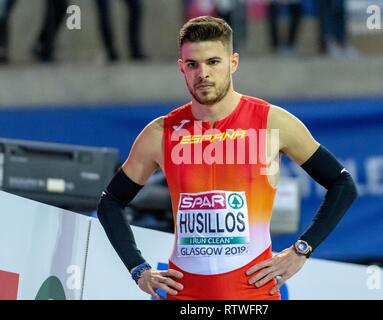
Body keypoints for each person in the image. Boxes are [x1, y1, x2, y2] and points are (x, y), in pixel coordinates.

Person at [97, 16, 358, 300]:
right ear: (181, 68)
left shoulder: (272, 122)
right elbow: (110, 202)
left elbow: (342, 184)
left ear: (233, 63)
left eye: (213, 62)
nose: (202, 73)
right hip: (185, 296)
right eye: (192, 64)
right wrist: (138, 267)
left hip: (253, 296)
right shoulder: (161, 133)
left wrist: (301, 250)